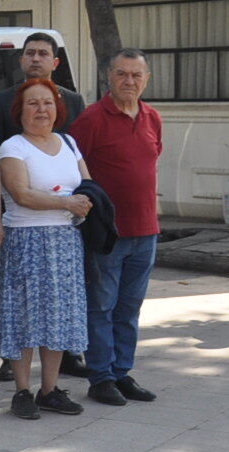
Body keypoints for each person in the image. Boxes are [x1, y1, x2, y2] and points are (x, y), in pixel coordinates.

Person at [70, 50, 163, 407]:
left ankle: (122, 372)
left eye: (136, 75)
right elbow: (73, 168)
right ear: (109, 77)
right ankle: (101, 377)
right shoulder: (92, 119)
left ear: (146, 79)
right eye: (122, 74)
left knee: (129, 308)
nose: (129, 81)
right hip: (107, 234)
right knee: (102, 307)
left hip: (146, 230)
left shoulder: (152, 117)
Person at [0, 81, 92, 419]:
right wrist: (66, 201)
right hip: (27, 241)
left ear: (57, 108)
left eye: (47, 103)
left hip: (66, 241)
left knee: (57, 317)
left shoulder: (69, 143)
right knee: (24, 316)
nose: (41, 110)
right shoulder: (13, 147)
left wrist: (81, 203)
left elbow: (87, 185)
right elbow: (21, 194)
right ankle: (22, 391)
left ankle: (50, 390)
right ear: (20, 111)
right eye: (33, 103)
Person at [0, 32, 86, 145]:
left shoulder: (74, 101)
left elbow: (81, 144)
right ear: (21, 61)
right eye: (30, 53)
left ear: (55, 63)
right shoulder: (1, 101)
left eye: (43, 54)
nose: (35, 59)